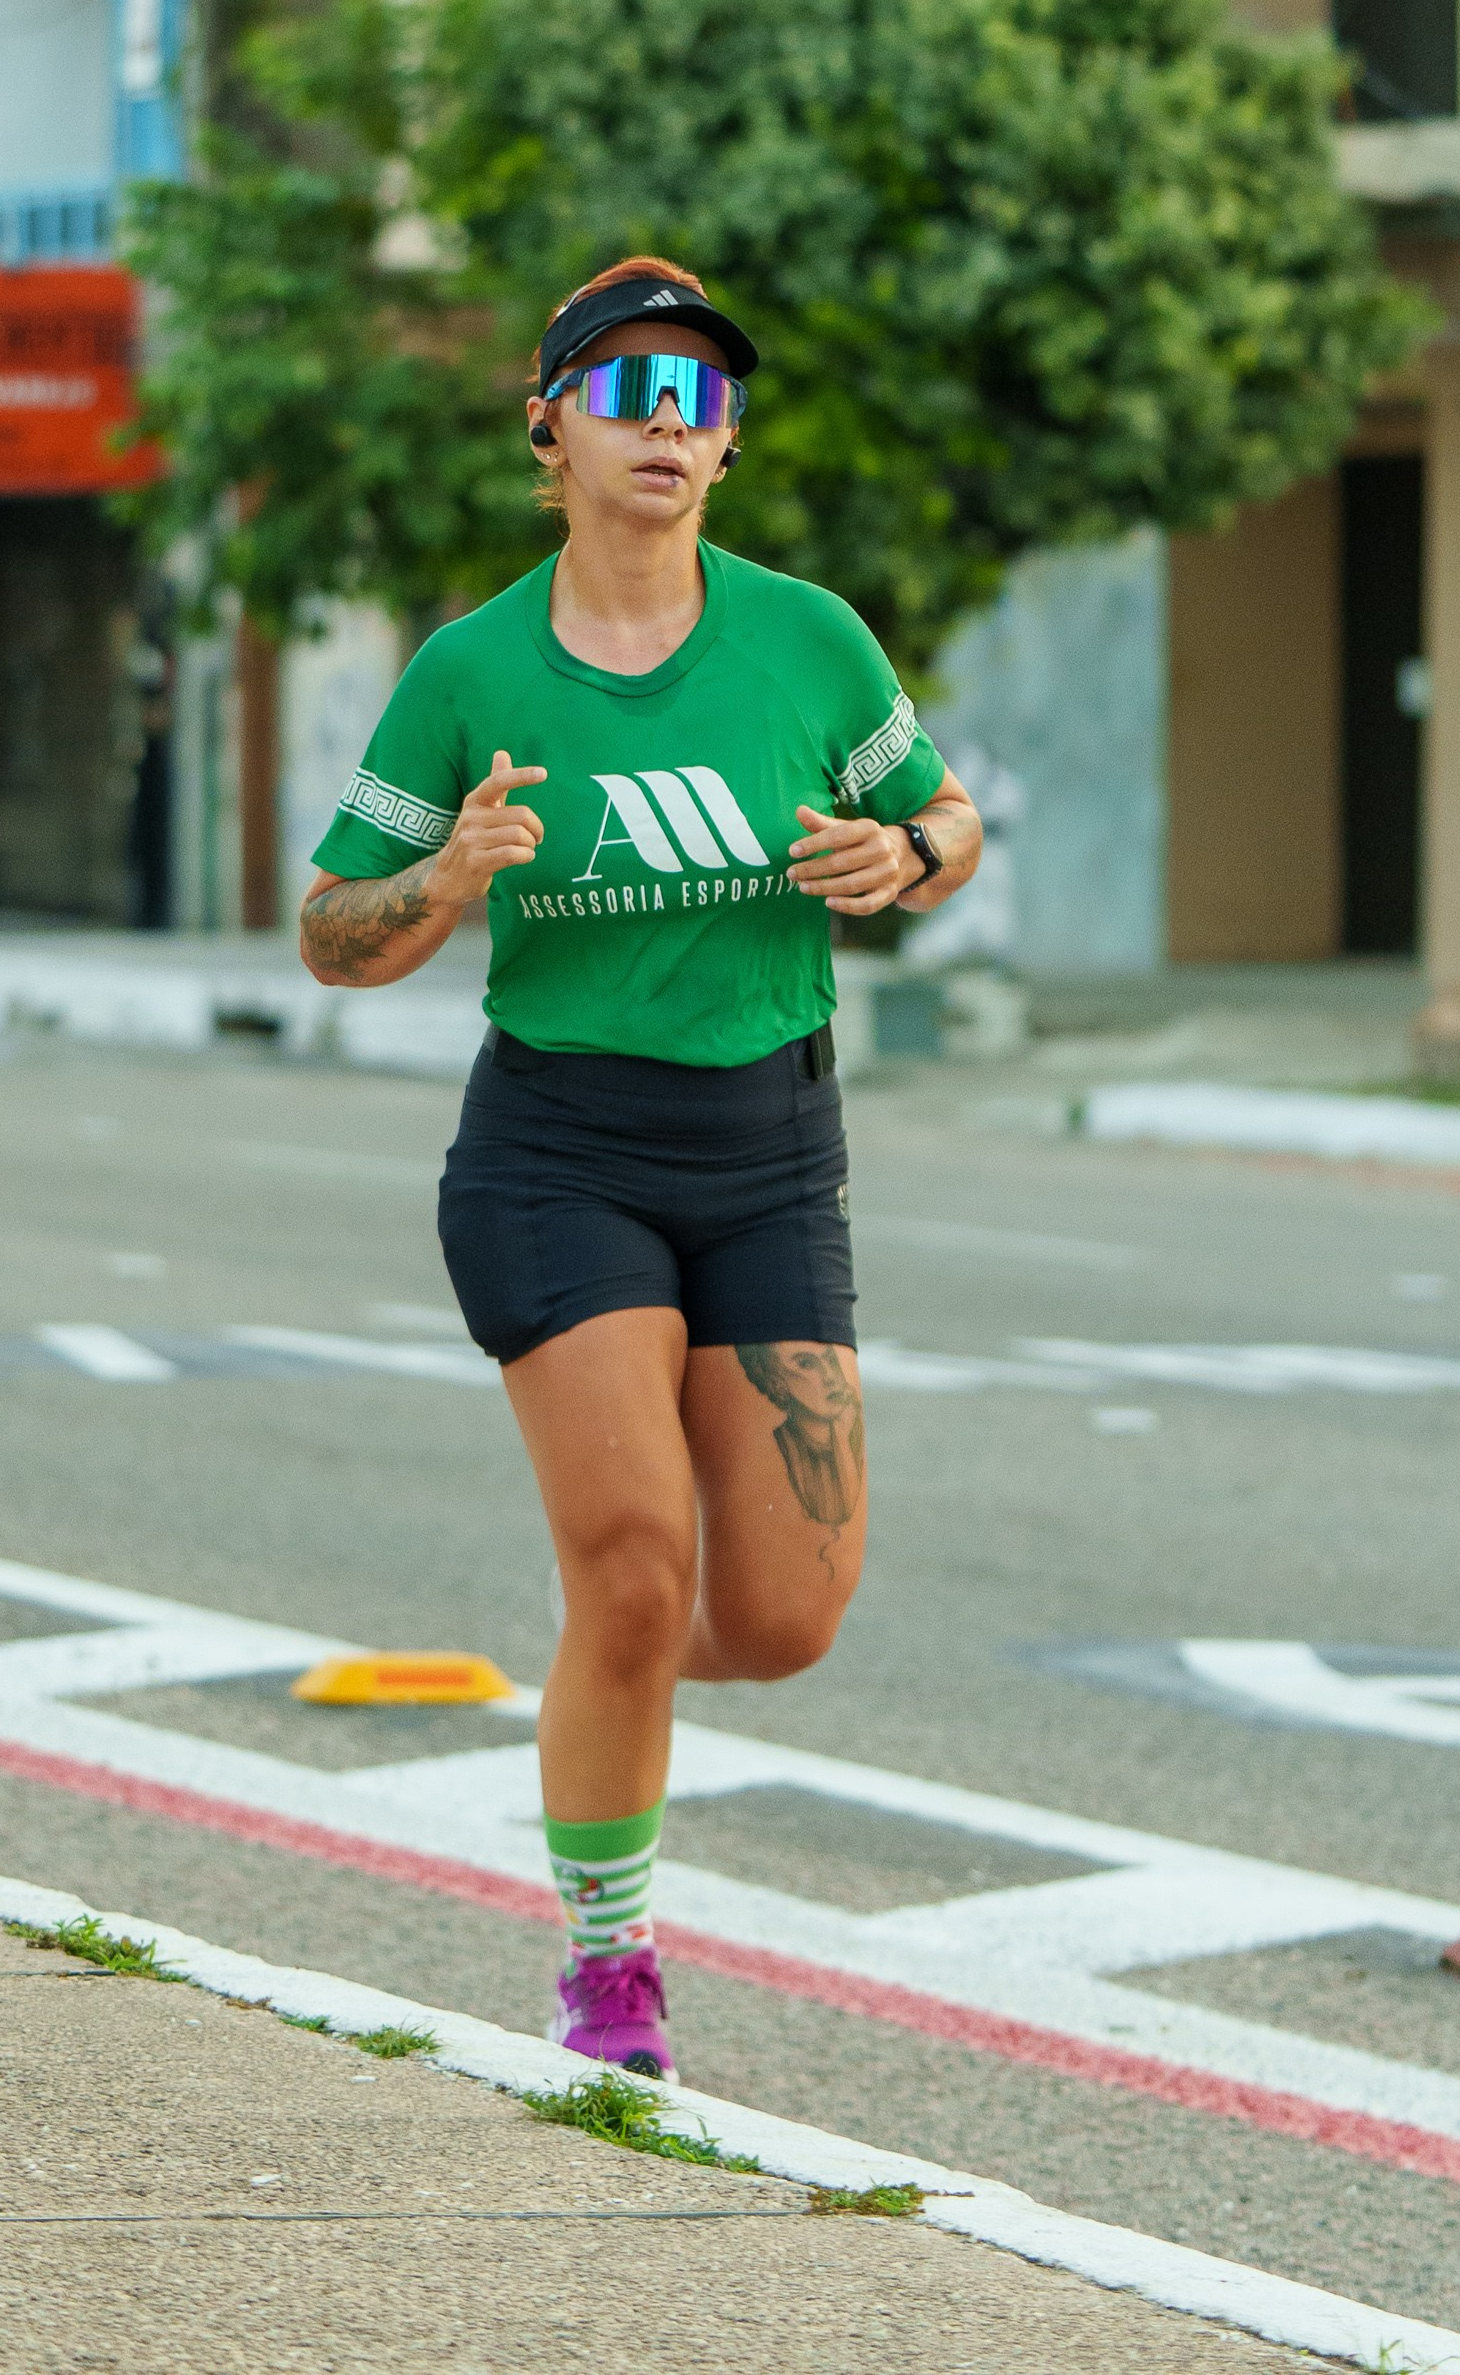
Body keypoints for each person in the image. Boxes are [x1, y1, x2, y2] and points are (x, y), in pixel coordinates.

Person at [301, 256, 982, 2078]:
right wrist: (445, 882)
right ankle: (612, 1963)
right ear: (554, 428)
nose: (669, 427)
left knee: (778, 1615)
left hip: (772, 1151)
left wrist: (905, 860)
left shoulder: (810, 638)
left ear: (731, 442)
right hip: (560, 1151)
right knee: (629, 1569)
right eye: (629, 392)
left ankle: (596, 1692)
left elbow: (951, 813)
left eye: (700, 398)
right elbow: (327, 932)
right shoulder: (469, 673)